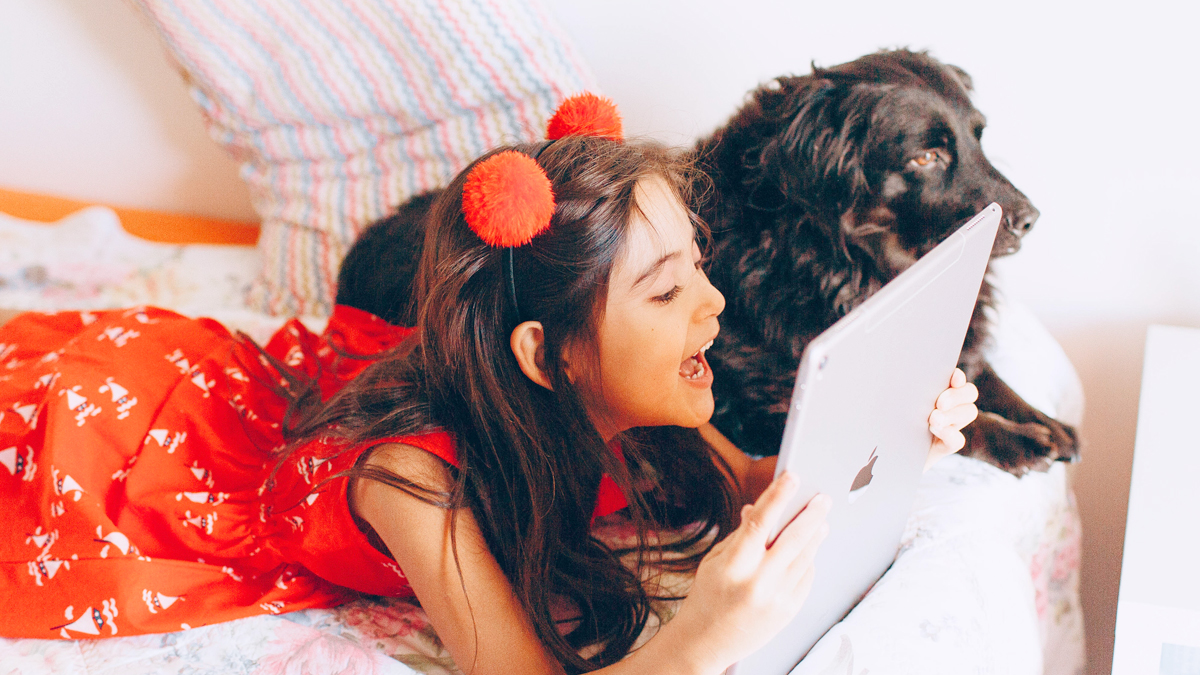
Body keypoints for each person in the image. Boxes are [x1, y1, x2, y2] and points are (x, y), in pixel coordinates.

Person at [0, 94, 978, 674]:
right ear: (550, 357)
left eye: (698, 263)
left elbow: (772, 486)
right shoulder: (410, 478)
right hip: (123, 441)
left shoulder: (656, 388)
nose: (713, 306)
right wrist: (702, 638)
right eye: (667, 288)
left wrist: (898, 436)